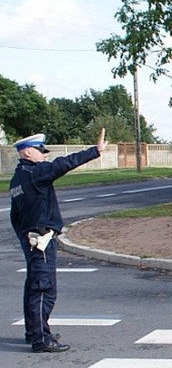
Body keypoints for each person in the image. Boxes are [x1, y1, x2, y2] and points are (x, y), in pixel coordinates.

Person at [10, 129, 107, 353]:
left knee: (33, 287)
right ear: (26, 152)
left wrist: (25, 238)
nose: (44, 155)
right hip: (42, 239)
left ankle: (33, 331)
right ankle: (41, 339)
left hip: (31, 239)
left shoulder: (18, 177)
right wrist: (95, 151)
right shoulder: (35, 173)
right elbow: (63, 164)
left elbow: (15, 217)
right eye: (39, 151)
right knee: (44, 289)